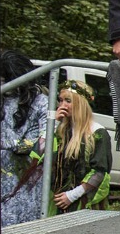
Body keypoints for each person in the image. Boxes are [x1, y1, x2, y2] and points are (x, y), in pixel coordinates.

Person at [0, 50, 47, 227]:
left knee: (26, 223)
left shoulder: (40, 102)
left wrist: (17, 145)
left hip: (28, 173)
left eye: (8, 79)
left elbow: (45, 138)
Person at [46, 80, 112, 213]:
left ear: (80, 103)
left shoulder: (97, 132)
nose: (62, 105)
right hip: (58, 200)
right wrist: (52, 123)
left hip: (83, 202)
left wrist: (72, 195)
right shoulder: (60, 130)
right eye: (60, 100)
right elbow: (40, 154)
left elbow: (99, 172)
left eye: (68, 101)